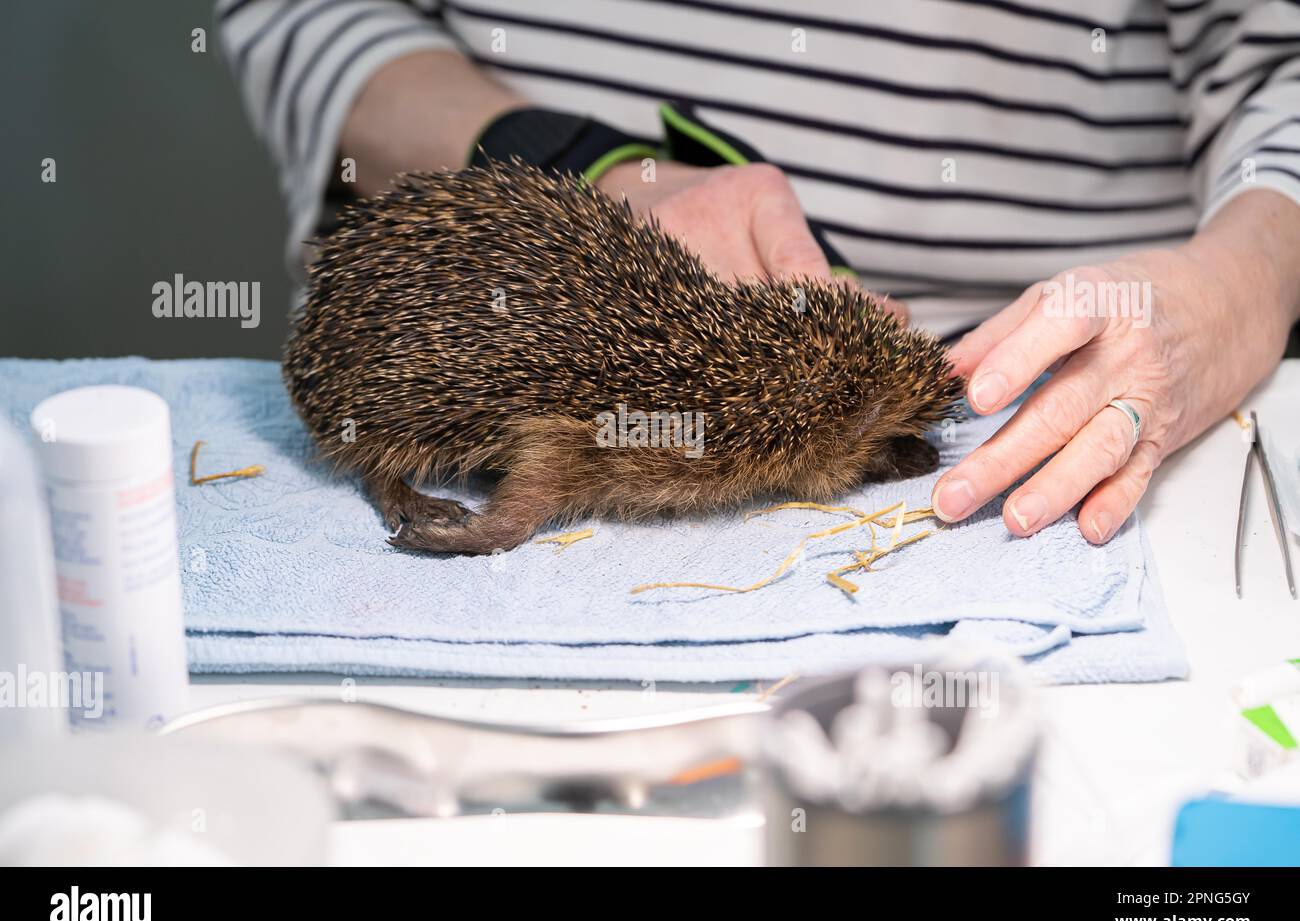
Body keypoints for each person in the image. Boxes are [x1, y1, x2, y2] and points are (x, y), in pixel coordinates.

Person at [218, 0, 1300, 544]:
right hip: (514, 246)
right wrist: (561, 155)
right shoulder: (684, 435)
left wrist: (1234, 288)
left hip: (1084, 380)